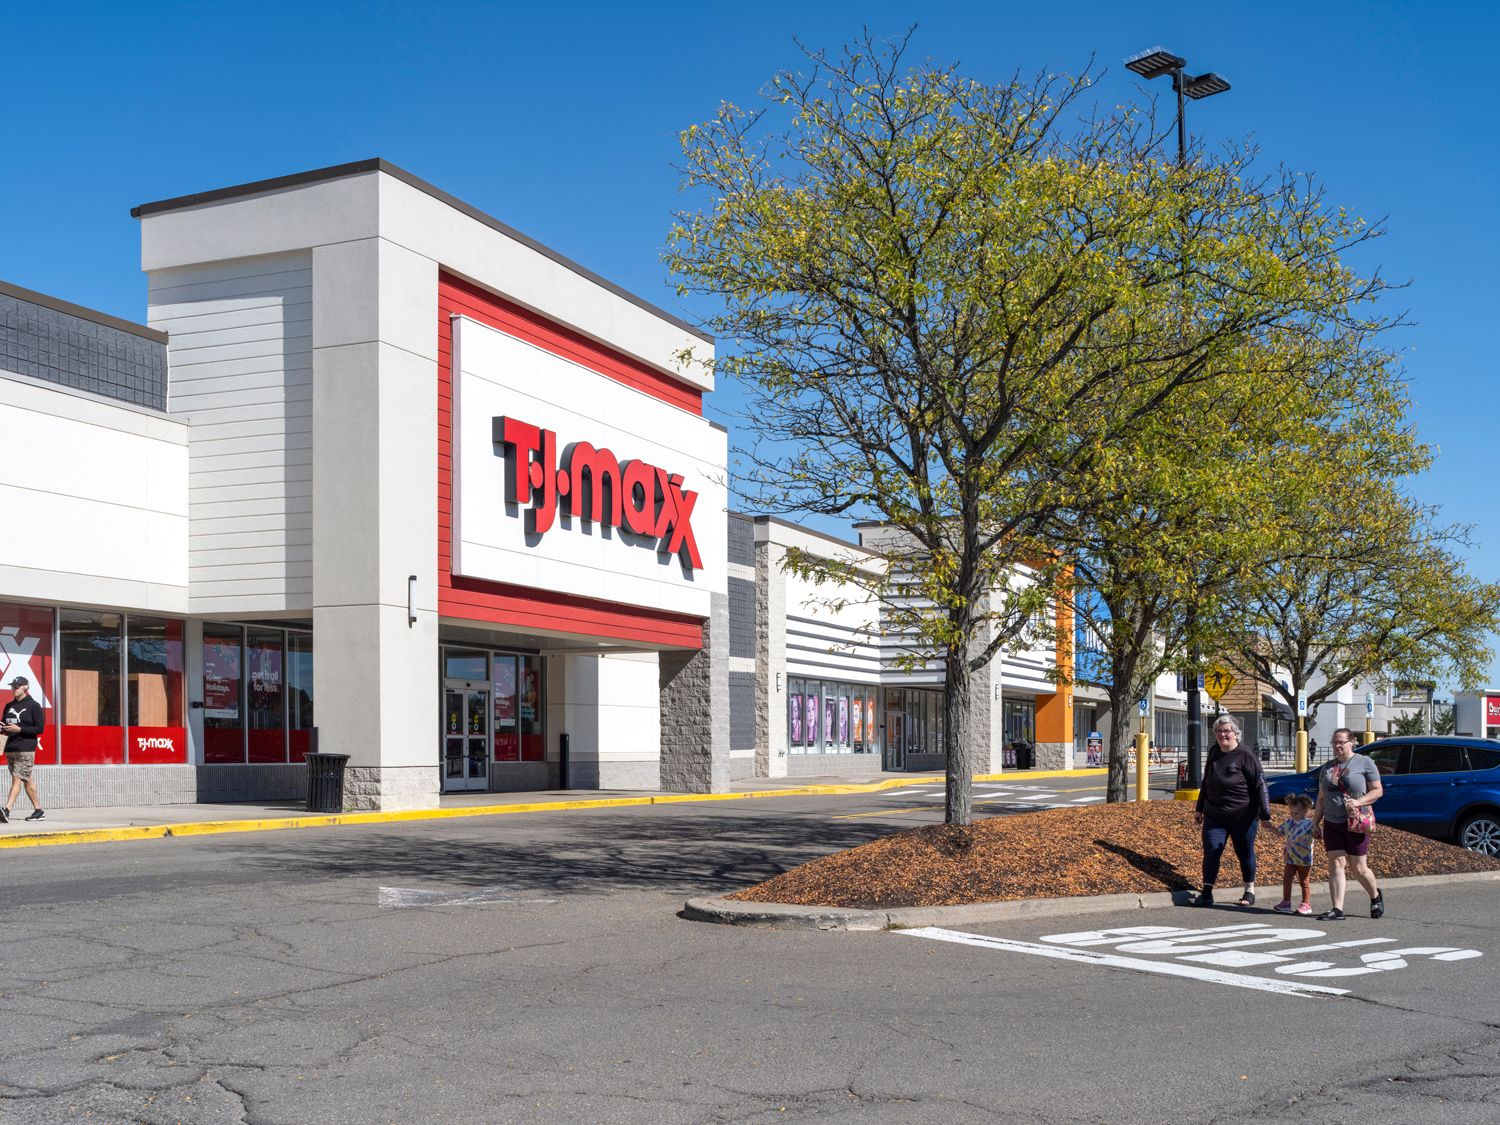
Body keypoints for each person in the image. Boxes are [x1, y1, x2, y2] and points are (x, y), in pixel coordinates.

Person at [1193, 714, 1273, 907]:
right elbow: (1206, 781)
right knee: (1212, 849)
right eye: (1219, 731)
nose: (1222, 734)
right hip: (1215, 815)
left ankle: (1249, 890)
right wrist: (1199, 808)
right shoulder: (1214, 752)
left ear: (1236, 734)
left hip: (1243, 817)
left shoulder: (1246, 755)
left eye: (1226, 731)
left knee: (1244, 852)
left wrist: (1265, 813)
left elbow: (1260, 785)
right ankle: (1207, 891)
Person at [1312, 727, 1383, 920]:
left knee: (1359, 867)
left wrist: (1359, 802)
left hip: (1356, 821)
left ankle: (1375, 896)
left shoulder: (1365, 762)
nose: (1337, 745)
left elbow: (1377, 791)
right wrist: (1315, 822)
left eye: (1341, 742)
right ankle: (1337, 909)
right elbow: (1320, 797)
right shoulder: (1327, 768)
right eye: (1334, 742)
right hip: (1332, 822)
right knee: (1336, 863)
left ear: (1352, 742)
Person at [1, 675, 46, 824]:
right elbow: (4, 725)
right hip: (11, 747)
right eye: (12, 686)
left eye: (17, 686)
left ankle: (6, 810)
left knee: (17, 778)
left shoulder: (34, 706)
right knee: (27, 779)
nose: (14, 689)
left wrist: (19, 729)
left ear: (25, 686)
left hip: (25, 748)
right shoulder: (9, 706)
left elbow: (39, 728)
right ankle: (38, 811)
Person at [1273, 794, 1316, 915]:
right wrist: (1270, 827)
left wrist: (1318, 834)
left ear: (1305, 811)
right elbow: (1279, 832)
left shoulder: (1310, 824)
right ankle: (1286, 902)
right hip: (1290, 857)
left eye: (1296, 813)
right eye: (1291, 813)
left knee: (1304, 881)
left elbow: (1317, 835)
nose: (1293, 815)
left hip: (1304, 859)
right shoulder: (1289, 822)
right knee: (1287, 879)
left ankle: (1306, 903)